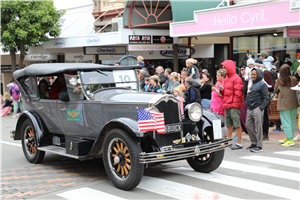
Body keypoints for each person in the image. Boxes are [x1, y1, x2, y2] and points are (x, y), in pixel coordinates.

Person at [218, 60, 244, 150]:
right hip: (227, 104)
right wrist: (222, 90)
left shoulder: (237, 78)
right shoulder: (227, 78)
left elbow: (238, 94)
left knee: (237, 124)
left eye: (225, 68)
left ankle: (239, 143)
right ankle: (228, 142)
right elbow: (227, 92)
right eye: (223, 68)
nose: (224, 70)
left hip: (233, 105)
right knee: (228, 124)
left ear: (230, 68)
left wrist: (235, 106)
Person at [243, 68, 269, 152]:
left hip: (258, 108)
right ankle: (254, 142)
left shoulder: (262, 84)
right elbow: (244, 91)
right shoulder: (251, 83)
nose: (252, 76)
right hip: (250, 108)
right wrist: (246, 81)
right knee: (248, 126)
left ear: (258, 74)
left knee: (259, 127)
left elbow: (266, 98)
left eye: (254, 74)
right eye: (252, 74)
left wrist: (261, 108)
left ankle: (259, 146)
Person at [275, 64, 299, 146]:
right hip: (293, 102)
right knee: (292, 121)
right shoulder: (294, 79)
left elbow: (275, 90)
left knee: (286, 122)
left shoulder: (278, 81)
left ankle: (289, 140)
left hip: (284, 104)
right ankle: (289, 137)